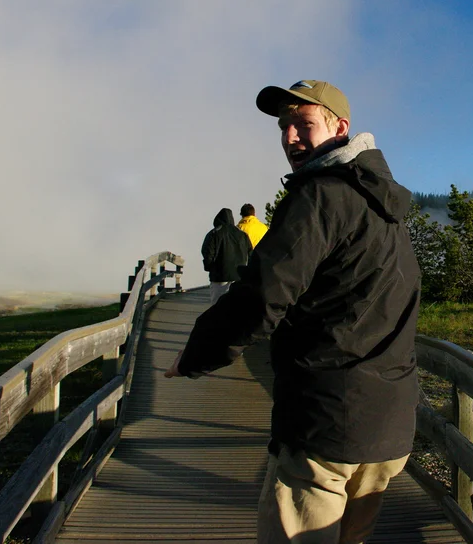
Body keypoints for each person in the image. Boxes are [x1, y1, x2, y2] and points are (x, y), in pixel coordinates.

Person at [166, 79, 420, 544]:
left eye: (303, 124)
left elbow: (264, 294)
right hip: (389, 425)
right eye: (283, 127)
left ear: (339, 127)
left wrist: (198, 352)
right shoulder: (386, 205)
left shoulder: (320, 196)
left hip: (326, 423)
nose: (289, 138)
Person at [201, 208, 252, 303]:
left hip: (220, 277)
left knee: (218, 309)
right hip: (239, 278)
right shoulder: (243, 235)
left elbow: (207, 253)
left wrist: (210, 268)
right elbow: (250, 254)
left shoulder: (214, 233)